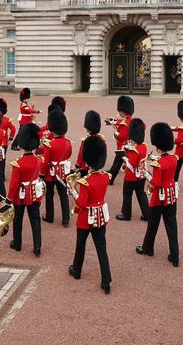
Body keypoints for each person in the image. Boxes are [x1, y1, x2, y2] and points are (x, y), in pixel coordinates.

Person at [68, 134, 112, 294]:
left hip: (86, 220)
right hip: (100, 217)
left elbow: (82, 203)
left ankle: (77, 270)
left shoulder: (85, 182)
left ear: (87, 161)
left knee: (81, 246)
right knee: (101, 248)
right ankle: (106, 279)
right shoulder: (106, 177)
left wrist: (73, 191)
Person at [137, 121, 180, 265]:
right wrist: (152, 159)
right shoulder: (174, 158)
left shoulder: (157, 164)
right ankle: (175, 256)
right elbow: (165, 160)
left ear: (157, 145)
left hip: (158, 198)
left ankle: (147, 248)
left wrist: (145, 173)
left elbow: (156, 183)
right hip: (171, 197)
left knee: (153, 224)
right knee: (171, 226)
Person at [6, 123, 44, 255]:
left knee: (18, 220)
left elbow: (13, 184)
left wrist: (9, 199)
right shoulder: (39, 160)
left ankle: (17, 244)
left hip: (20, 195)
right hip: (33, 193)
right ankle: (37, 246)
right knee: (35, 219)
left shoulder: (18, 163)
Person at [41, 108, 72, 226]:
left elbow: (45, 161)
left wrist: (42, 174)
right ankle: (66, 219)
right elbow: (68, 155)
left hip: (50, 174)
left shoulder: (49, 144)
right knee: (63, 194)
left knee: (49, 194)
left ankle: (50, 216)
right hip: (62, 172)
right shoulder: (68, 143)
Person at [115, 119, 150, 221]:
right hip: (142, 176)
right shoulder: (143, 146)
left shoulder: (134, 150)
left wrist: (124, 157)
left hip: (131, 177)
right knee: (141, 194)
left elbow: (132, 165)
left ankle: (126, 214)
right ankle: (147, 214)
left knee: (127, 195)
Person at [107, 95, 135, 183]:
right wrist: (112, 121)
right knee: (128, 162)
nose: (119, 114)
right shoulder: (129, 119)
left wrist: (115, 131)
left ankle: (110, 178)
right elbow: (119, 121)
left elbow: (121, 137)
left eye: (120, 112)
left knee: (117, 163)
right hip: (128, 145)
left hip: (123, 147)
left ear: (124, 112)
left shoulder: (124, 124)